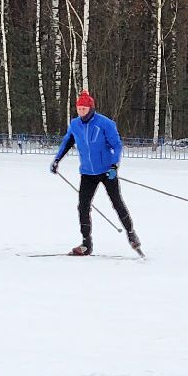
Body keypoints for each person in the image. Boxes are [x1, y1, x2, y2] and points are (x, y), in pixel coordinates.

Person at [49, 90, 140, 256]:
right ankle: (86, 244)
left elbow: (117, 146)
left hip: (106, 171)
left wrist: (114, 166)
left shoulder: (105, 123)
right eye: (79, 108)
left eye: (84, 108)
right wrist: (57, 160)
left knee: (117, 203)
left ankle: (131, 234)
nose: (81, 112)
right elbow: (67, 142)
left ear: (90, 108)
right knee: (83, 206)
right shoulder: (75, 124)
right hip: (87, 173)